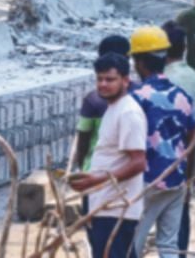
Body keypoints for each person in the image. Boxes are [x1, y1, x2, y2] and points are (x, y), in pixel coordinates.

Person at [68, 53, 146, 258]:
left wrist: (97, 180)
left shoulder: (128, 113)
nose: (103, 84)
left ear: (126, 80)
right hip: (105, 205)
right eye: (99, 79)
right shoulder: (114, 108)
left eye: (110, 79)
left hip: (117, 208)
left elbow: (139, 163)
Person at [127, 27, 195, 258]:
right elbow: (193, 141)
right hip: (176, 178)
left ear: (139, 62)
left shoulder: (135, 99)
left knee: (132, 245)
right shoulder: (183, 97)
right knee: (169, 246)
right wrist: (189, 179)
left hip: (147, 182)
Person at [160, 21, 195, 254]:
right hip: (187, 153)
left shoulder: (166, 79)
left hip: (167, 156)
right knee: (181, 212)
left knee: (167, 220)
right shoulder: (191, 74)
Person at [72, 35, 131, 176]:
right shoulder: (140, 94)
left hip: (94, 171)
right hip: (127, 173)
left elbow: (83, 140)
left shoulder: (93, 100)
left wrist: (81, 167)